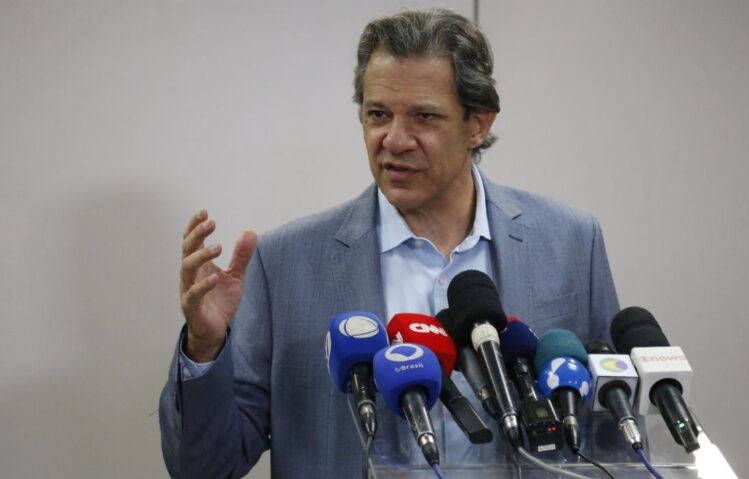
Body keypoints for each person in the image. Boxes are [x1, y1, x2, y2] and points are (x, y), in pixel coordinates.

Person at [159, 8, 619, 478]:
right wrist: (205, 347)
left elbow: (614, 432)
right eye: (378, 114)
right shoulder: (285, 264)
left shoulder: (570, 242)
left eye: (424, 116)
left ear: (478, 124)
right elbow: (204, 468)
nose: (395, 140)